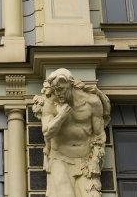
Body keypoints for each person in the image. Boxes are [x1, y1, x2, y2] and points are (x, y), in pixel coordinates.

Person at [31, 68, 111, 197]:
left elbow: (99, 135)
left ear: (71, 84)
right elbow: (47, 132)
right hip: (60, 159)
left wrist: (95, 160)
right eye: (55, 90)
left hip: (85, 161)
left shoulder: (92, 102)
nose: (58, 94)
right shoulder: (51, 103)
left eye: (61, 89)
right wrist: (61, 116)